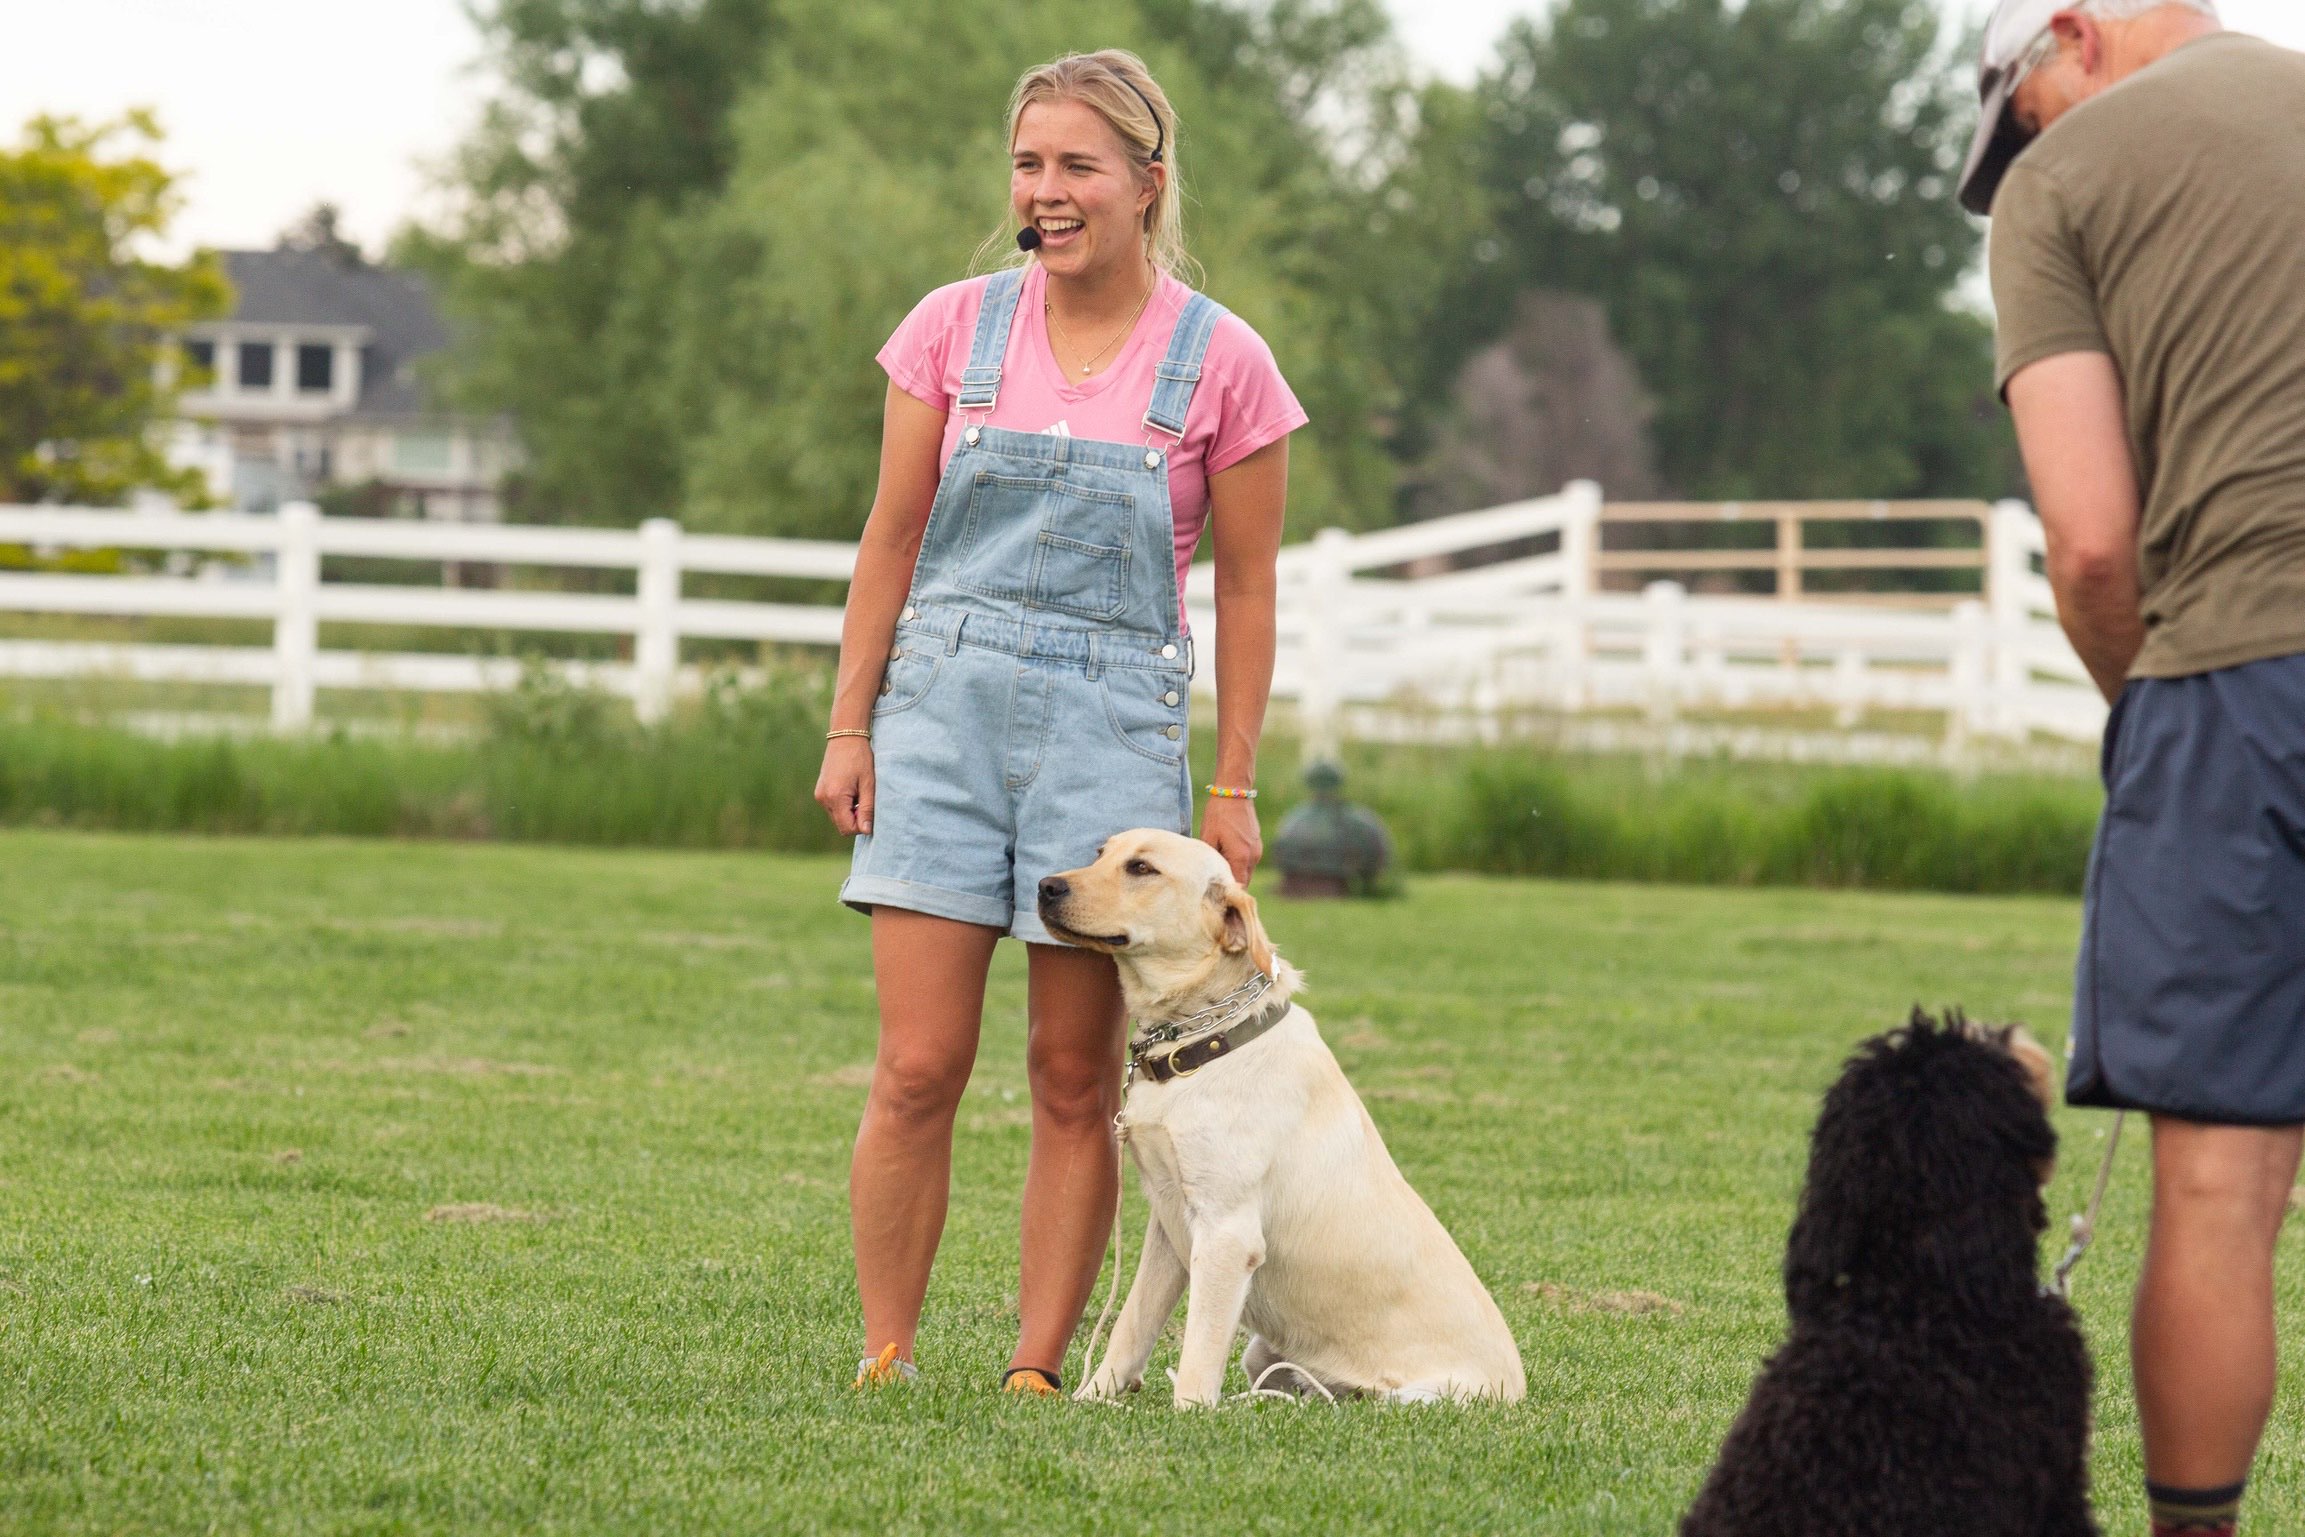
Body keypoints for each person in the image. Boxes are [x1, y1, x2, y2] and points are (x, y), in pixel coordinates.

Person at [813, 49, 1304, 1396]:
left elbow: (1250, 588)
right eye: (1028, 164)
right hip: (940, 722)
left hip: (1111, 745)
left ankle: (1036, 1370)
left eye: (1078, 164)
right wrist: (850, 726)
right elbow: (890, 539)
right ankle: (885, 1353)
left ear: (1147, 182)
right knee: (917, 1065)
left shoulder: (1225, 362)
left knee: (1072, 1076)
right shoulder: (950, 331)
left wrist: (1233, 785)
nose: (1046, 190)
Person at [1962, 3, 2305, 1533]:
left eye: (2018, 113)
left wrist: (2147, 708)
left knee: (2220, 1189)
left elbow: (2093, 541)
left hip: (2236, 676)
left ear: (2069, 37)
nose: (2025, 147)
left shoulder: (2064, 181)